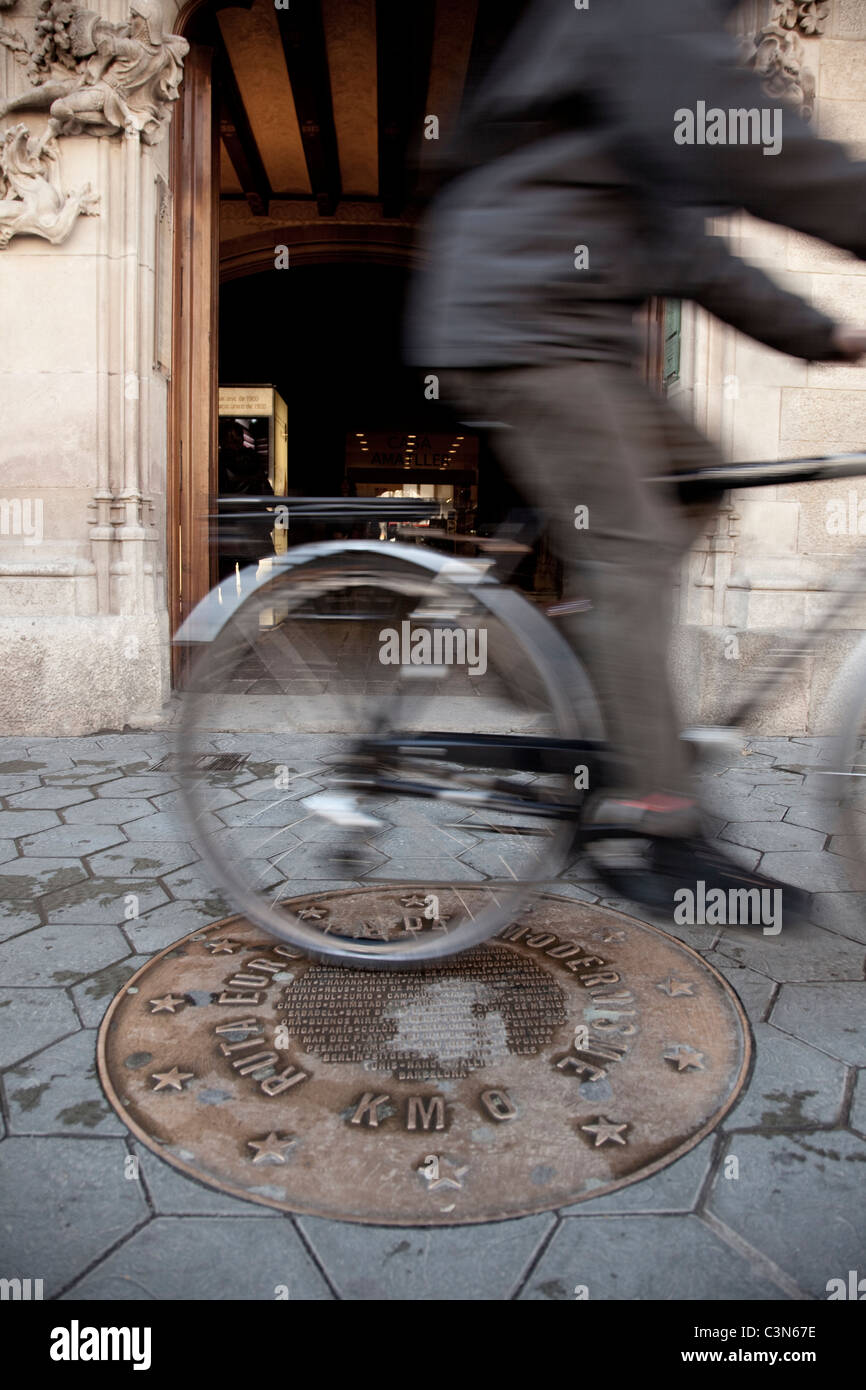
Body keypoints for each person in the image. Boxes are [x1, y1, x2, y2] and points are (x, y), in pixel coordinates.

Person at [407, 0, 866, 914]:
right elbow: (764, 150)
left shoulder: (648, 94)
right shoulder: (643, 10)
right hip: (521, 323)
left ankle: (580, 657)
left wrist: (829, 336)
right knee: (634, 544)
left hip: (567, 326)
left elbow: (693, 256)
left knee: (702, 477)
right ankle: (651, 818)